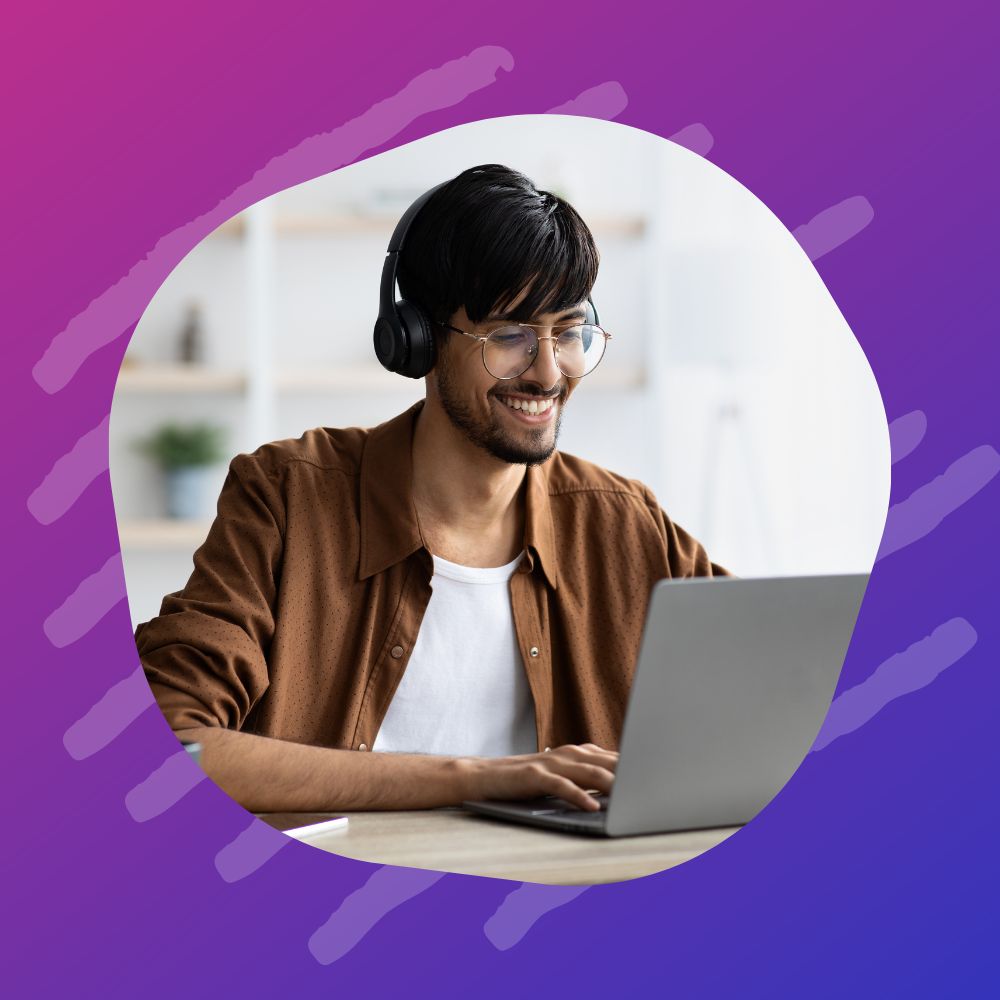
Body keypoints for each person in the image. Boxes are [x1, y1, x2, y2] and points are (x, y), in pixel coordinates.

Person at [136, 164, 728, 815]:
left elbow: (768, 690)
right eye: (509, 335)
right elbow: (174, 743)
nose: (549, 371)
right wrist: (474, 777)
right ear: (416, 340)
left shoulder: (621, 521)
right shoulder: (287, 496)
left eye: (568, 332)